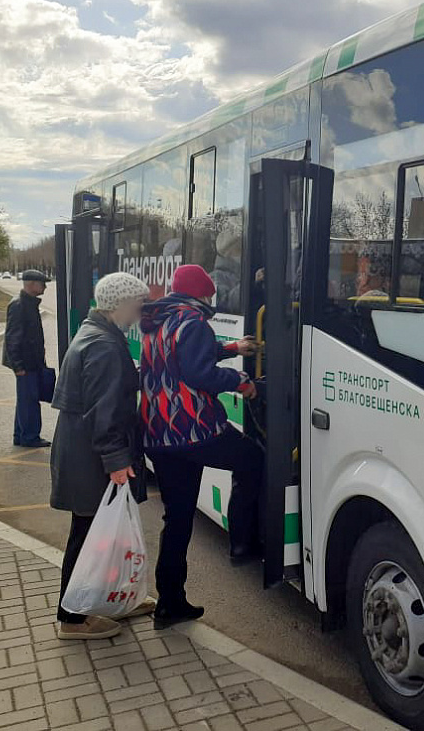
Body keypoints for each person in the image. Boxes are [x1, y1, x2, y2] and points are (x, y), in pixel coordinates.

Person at [139, 264, 262, 630]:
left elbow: (185, 356)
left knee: (176, 519)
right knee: (253, 460)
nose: (211, 298)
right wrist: (241, 381)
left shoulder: (159, 319)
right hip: (194, 431)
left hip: (159, 437)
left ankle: (169, 603)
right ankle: (243, 544)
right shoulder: (194, 321)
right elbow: (198, 372)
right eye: (209, 293)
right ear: (201, 293)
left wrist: (232, 348)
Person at [50, 272, 156, 639]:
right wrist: (116, 460)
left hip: (82, 451)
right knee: (87, 535)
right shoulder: (105, 346)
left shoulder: (95, 333)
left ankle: (112, 599)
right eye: (139, 303)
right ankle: (72, 618)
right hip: (92, 457)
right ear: (122, 304)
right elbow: (103, 410)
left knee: (100, 534)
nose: (141, 311)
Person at [2, 269, 50, 448]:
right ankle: (30, 437)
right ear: (31, 285)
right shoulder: (19, 305)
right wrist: (18, 366)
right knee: (29, 401)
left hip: (31, 362)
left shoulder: (28, 303)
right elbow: (12, 338)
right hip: (25, 364)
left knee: (25, 400)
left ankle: (21, 435)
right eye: (42, 283)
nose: (44, 286)